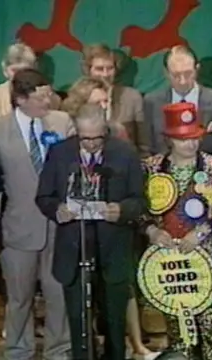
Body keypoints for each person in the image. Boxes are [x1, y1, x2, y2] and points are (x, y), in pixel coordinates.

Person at [35, 104, 146, 360]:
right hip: (74, 251)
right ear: (76, 131)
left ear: (106, 130)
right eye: (86, 139)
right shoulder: (60, 153)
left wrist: (121, 209)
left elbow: (139, 201)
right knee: (79, 324)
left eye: (98, 138)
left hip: (113, 251)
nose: (92, 144)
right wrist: (57, 210)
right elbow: (43, 196)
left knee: (115, 325)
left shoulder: (125, 153)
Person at [62, 76, 159, 359]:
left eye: (106, 102)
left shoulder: (120, 140)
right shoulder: (64, 145)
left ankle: (128, 346)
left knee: (118, 297)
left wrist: (122, 209)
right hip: (78, 237)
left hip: (114, 235)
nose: (104, 108)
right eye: (97, 103)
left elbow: (135, 194)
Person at [140, 102, 212, 359]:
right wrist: (152, 230)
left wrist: (202, 232)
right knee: (179, 336)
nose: (191, 145)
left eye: (195, 138)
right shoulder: (152, 168)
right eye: (184, 139)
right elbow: (140, 210)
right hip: (171, 266)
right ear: (169, 139)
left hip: (207, 263)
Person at [0, 68, 72, 360]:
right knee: (19, 298)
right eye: (40, 98)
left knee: (58, 294)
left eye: (49, 95)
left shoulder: (62, 123)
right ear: (20, 99)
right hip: (19, 227)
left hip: (59, 227)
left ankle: (59, 350)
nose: (47, 102)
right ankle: (18, 350)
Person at [144, 45, 212, 156]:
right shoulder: (151, 102)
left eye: (188, 73)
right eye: (176, 75)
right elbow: (147, 145)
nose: (182, 81)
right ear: (166, 73)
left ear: (197, 69)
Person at [80, 43, 150, 156]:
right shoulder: (78, 98)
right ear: (88, 70)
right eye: (99, 69)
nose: (105, 74)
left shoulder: (132, 97)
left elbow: (143, 144)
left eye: (110, 68)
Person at [0, 42, 61, 119]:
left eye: (25, 70)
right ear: (5, 70)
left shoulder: (50, 98)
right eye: (14, 70)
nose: (20, 76)